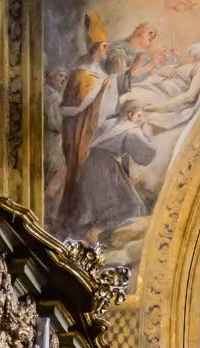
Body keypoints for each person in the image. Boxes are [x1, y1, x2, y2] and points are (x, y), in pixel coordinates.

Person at [60, 103, 157, 242]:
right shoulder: (132, 130)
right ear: (130, 114)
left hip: (90, 163)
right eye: (139, 116)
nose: (140, 120)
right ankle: (98, 235)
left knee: (94, 207)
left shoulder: (110, 123)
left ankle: (92, 236)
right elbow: (146, 156)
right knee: (130, 206)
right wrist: (148, 132)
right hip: (106, 167)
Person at [56, 15, 115, 219]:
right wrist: (100, 87)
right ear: (97, 48)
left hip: (93, 129)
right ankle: (72, 215)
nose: (107, 51)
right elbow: (74, 108)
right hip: (80, 134)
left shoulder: (99, 73)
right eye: (105, 46)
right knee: (80, 170)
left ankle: (90, 214)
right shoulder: (82, 73)